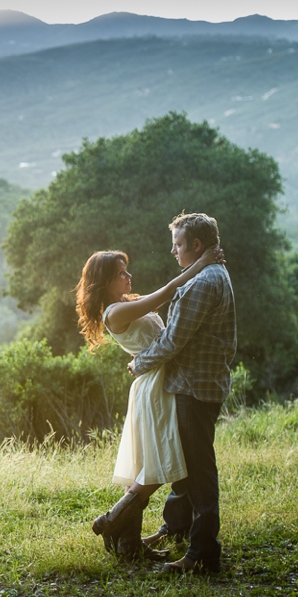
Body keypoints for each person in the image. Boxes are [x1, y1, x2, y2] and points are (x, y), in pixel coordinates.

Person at [74, 242, 224, 561]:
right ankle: (113, 520)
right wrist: (202, 262)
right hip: (155, 385)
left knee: (155, 461)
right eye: (121, 273)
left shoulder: (127, 301)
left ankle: (128, 544)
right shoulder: (115, 312)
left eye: (126, 270)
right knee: (158, 463)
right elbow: (168, 292)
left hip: (160, 379)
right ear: (104, 282)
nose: (129, 276)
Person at [129, 212, 237, 574]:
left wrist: (138, 363)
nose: (172, 250)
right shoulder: (207, 275)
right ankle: (176, 527)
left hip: (196, 386)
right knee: (185, 463)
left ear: (197, 245)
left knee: (199, 469)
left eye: (178, 243)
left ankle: (203, 553)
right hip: (195, 383)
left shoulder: (205, 282)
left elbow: (174, 339)